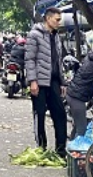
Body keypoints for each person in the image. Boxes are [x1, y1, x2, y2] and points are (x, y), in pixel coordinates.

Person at [25, 8, 68, 157]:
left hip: (54, 81)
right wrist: (32, 81)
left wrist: (62, 82)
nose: (59, 22)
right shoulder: (34, 35)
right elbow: (29, 59)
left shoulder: (56, 36)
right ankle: (41, 149)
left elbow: (58, 61)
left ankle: (61, 151)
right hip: (39, 82)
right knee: (40, 115)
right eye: (57, 19)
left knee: (60, 114)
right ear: (48, 19)